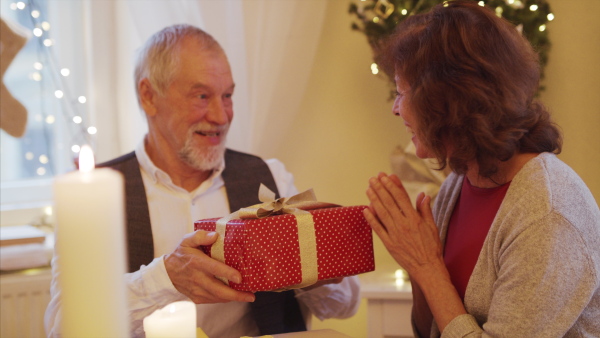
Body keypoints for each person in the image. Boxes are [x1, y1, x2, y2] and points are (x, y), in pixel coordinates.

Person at [45, 24, 360, 338]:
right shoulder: (93, 195)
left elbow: (344, 306)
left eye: (227, 95)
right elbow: (62, 326)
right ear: (149, 96)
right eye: (201, 96)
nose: (221, 116)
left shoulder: (269, 177)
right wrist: (165, 278)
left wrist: (313, 270)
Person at [363, 1, 600, 337]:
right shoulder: (458, 184)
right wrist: (417, 264)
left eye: (401, 93)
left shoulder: (546, 215)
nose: (395, 109)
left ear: (447, 102)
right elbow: (429, 330)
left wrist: (427, 267)